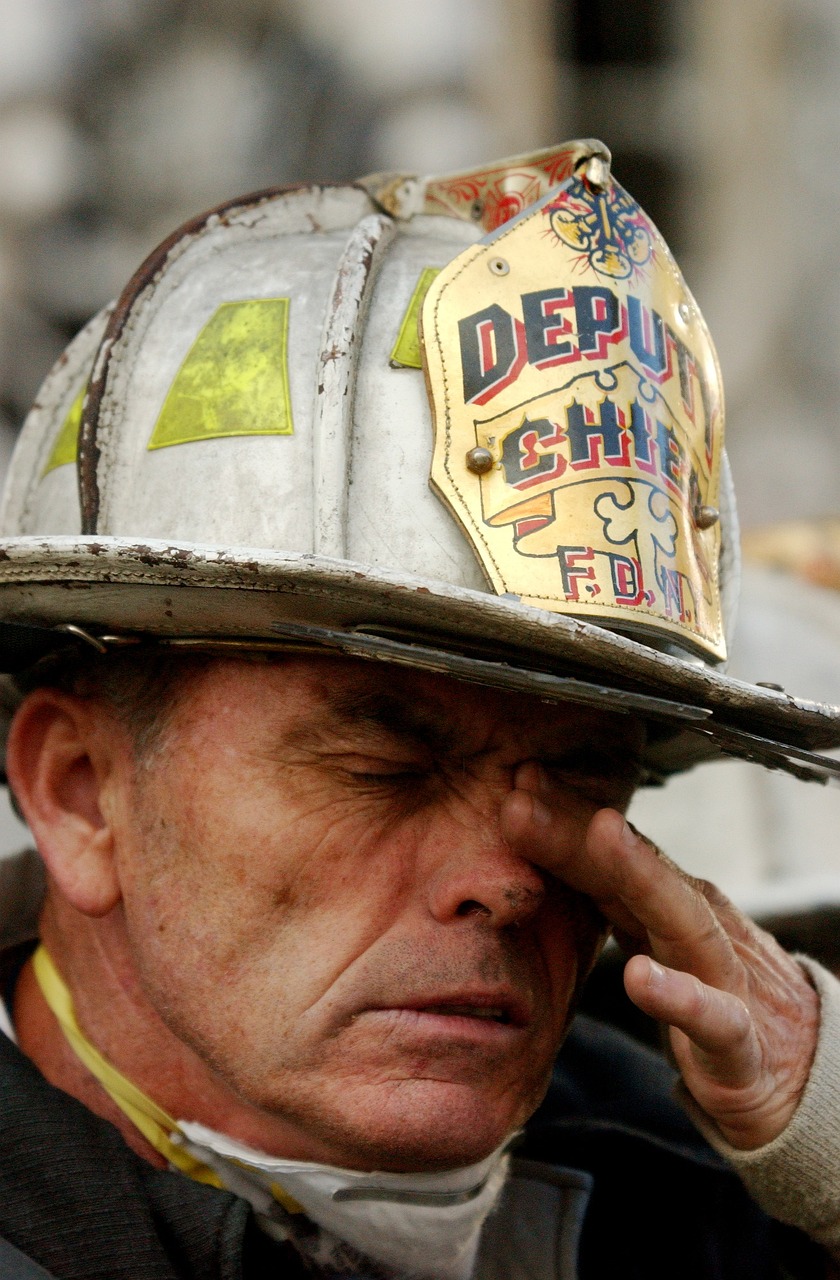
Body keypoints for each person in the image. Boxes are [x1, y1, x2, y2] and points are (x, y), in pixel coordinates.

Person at [0, 141, 838, 1280]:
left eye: (582, 777)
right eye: (385, 764)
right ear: (81, 792)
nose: (507, 877)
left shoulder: (694, 1189)